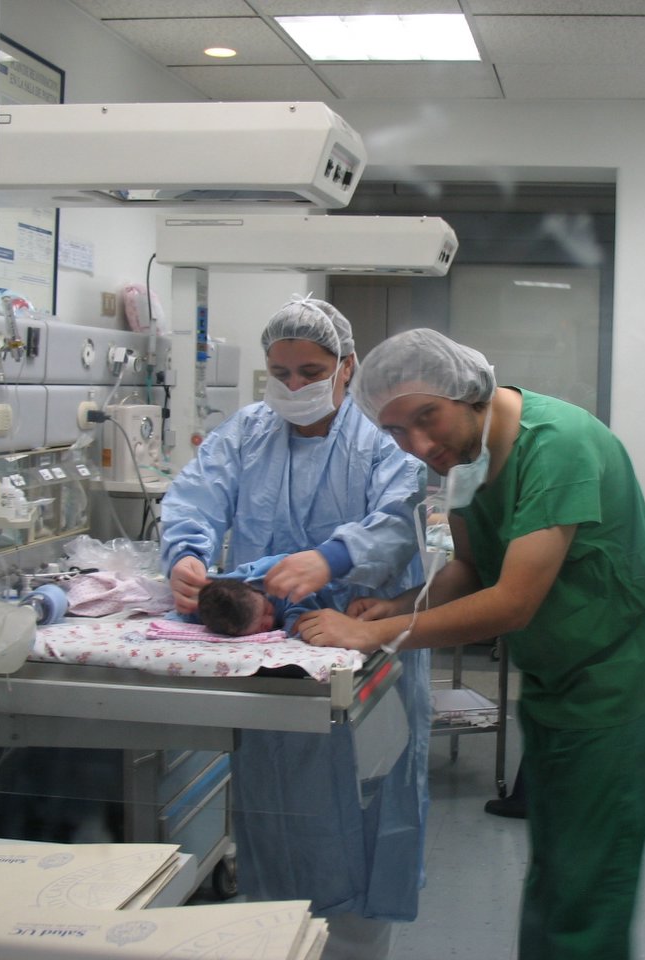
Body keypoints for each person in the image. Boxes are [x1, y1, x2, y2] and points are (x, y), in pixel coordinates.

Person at [297, 328, 645, 960]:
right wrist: (399, 606)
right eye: (396, 432)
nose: (420, 446)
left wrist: (373, 634)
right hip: (557, 676)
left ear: (469, 392)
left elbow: (511, 603)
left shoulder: (558, 447)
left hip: (618, 678)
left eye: (428, 417)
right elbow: (471, 570)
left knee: (588, 881)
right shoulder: (464, 463)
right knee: (557, 865)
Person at [158, 297, 429, 960]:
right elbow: (195, 498)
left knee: (364, 813)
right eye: (280, 373)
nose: (294, 386)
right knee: (280, 818)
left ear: (347, 367)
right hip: (276, 670)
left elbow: (401, 521)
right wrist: (186, 556)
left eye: (311, 372)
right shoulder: (248, 433)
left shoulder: (381, 437)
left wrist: (332, 558)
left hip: (361, 653)